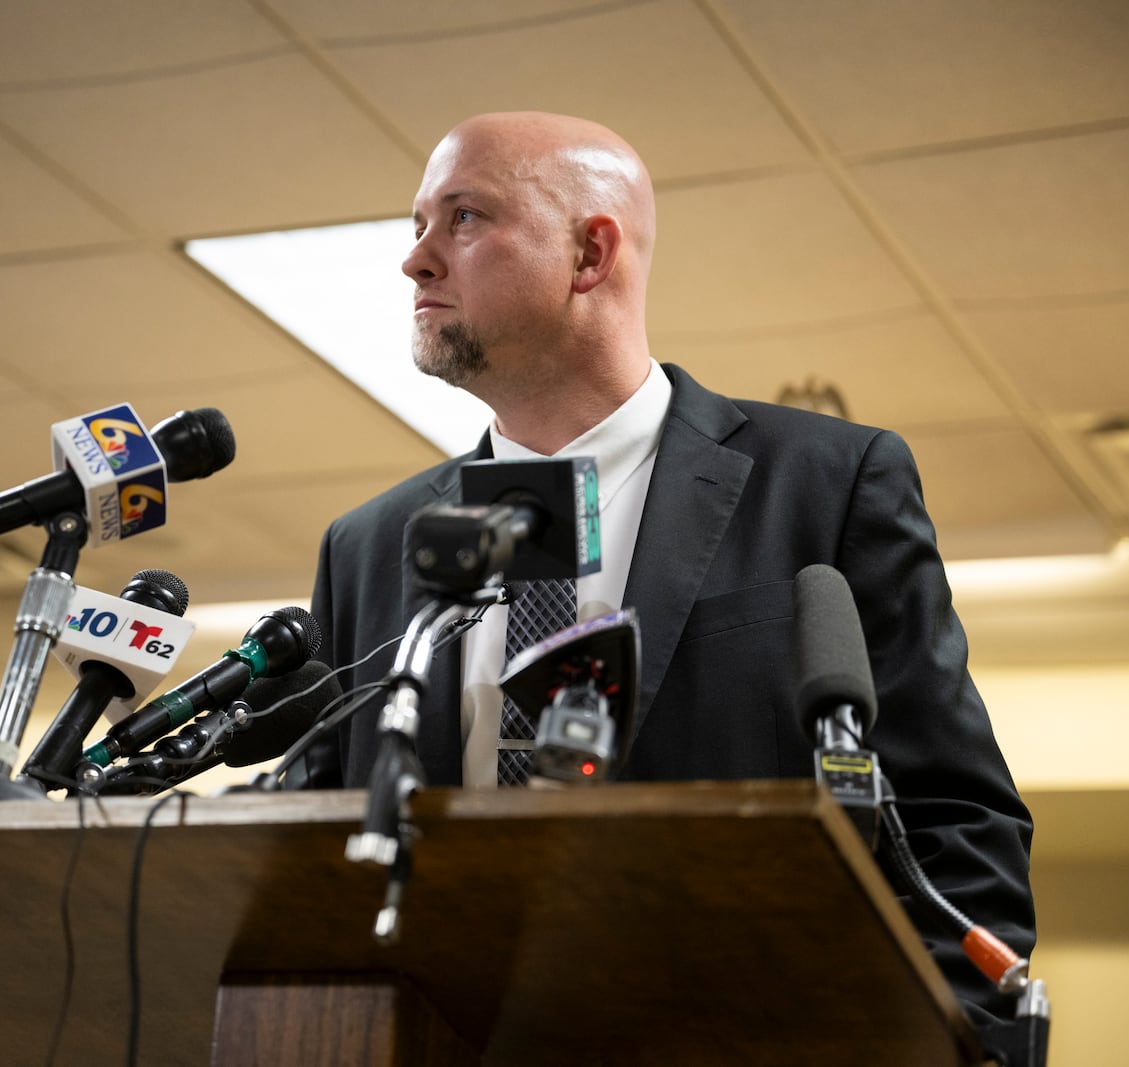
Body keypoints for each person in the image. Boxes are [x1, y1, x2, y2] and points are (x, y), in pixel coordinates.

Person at [300, 111, 1035, 1031]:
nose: (416, 259)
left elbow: (953, 821)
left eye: (464, 218)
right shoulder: (368, 545)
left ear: (590, 253)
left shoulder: (827, 485)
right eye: (416, 227)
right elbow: (310, 850)